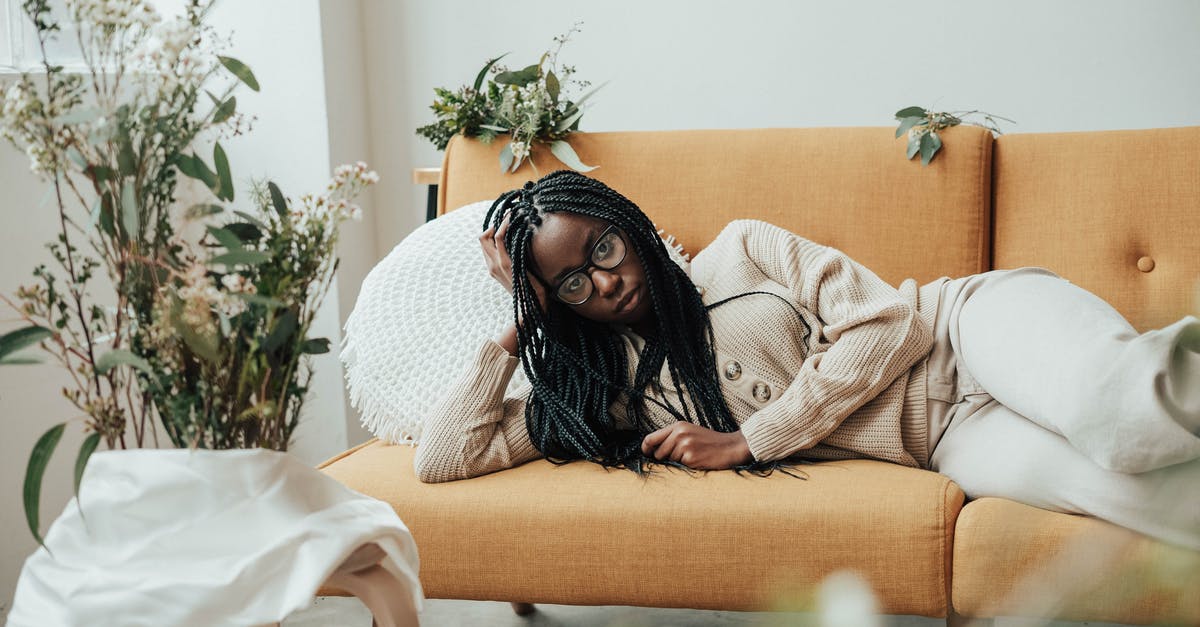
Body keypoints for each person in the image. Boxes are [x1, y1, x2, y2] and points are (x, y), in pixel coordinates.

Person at [413, 170, 1200, 551]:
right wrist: (523, 318)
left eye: (605, 247)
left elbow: (891, 325)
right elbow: (445, 456)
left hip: (966, 328)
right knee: (1143, 497)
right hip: (946, 440)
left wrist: (753, 439)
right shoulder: (612, 392)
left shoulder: (744, 247)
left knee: (1118, 409)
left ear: (629, 222)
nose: (609, 279)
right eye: (577, 281)